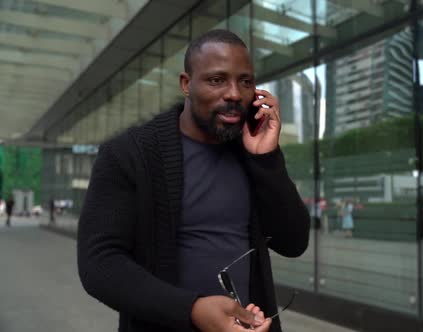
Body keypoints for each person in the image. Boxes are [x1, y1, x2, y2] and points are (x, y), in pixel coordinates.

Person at [77, 30, 310, 332]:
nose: (234, 94)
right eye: (217, 80)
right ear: (186, 84)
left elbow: (294, 242)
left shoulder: (251, 154)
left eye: (246, 81)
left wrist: (266, 160)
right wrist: (193, 310)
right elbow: (100, 264)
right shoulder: (130, 154)